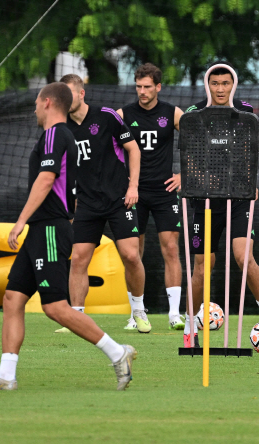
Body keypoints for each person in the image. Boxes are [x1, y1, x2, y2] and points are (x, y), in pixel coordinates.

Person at [0, 82, 137, 391]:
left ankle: (118, 353)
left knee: (55, 308)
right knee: (12, 299)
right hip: (44, 229)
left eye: (36, 102)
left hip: (48, 229)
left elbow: (47, 179)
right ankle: (6, 375)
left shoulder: (54, 135)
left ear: (47, 102)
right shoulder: (66, 136)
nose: (34, 108)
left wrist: (20, 221)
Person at [183, 63, 259, 347]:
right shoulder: (193, 115)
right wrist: (205, 182)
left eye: (225, 83)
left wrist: (249, 183)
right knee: (202, 268)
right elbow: (189, 160)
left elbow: (252, 154)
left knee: (243, 257)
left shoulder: (245, 113)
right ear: (207, 85)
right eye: (215, 83)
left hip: (237, 199)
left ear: (233, 84)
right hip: (205, 201)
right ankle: (190, 326)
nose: (220, 89)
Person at [57, 74, 152, 334]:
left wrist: (133, 186)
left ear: (81, 94)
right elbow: (62, 170)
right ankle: (76, 318)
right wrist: (68, 202)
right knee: (77, 260)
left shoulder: (107, 116)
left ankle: (139, 311)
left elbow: (134, 149)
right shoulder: (61, 127)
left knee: (131, 256)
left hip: (119, 199)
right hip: (86, 204)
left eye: (69, 94)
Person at [117, 63, 185, 331]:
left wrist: (184, 176)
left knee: (171, 249)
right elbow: (109, 148)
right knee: (133, 254)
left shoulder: (172, 112)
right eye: (138, 86)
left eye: (147, 87)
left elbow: (197, 143)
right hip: (133, 193)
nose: (142, 91)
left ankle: (174, 314)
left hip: (165, 191)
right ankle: (137, 313)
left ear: (158, 87)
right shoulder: (123, 114)